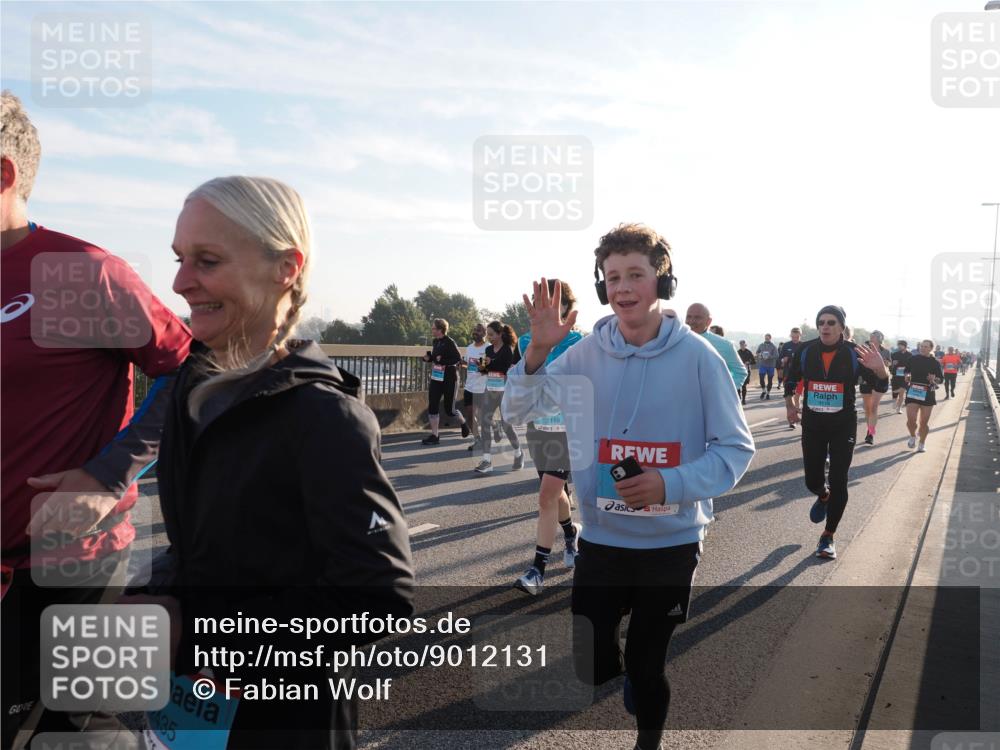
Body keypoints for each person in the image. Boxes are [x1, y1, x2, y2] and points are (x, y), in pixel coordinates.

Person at [128, 176, 414, 748]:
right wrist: (157, 592)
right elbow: (209, 549)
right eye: (180, 259)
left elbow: (379, 597)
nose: (182, 283)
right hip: (196, 707)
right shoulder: (195, 388)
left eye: (206, 261)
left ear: (285, 267)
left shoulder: (325, 418)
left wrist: (202, 638)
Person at [504, 223, 754, 750]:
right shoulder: (582, 356)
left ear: (661, 282)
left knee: (646, 664)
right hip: (602, 540)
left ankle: (648, 741)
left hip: (671, 543)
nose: (622, 287)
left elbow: (736, 449)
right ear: (601, 287)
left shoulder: (700, 359)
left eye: (635, 274)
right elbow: (517, 410)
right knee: (592, 663)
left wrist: (669, 483)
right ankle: (628, 676)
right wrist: (534, 356)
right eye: (612, 276)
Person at [1, 90, 192, 746]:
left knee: (68, 735)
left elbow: (187, 368)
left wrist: (109, 472)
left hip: (69, 564)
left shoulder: (80, 274)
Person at [783, 305, 888, 560]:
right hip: (813, 424)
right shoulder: (805, 350)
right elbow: (790, 380)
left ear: (841, 327)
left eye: (831, 322)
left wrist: (880, 369)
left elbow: (881, 385)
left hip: (843, 425)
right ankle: (822, 495)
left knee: (839, 478)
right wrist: (791, 407)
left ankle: (828, 536)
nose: (825, 327)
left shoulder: (855, 353)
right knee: (812, 480)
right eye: (821, 322)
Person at [514, 280, 584, 595]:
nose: (550, 312)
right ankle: (571, 532)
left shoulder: (581, 342)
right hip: (538, 427)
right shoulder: (525, 341)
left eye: (556, 306)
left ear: (568, 309)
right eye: (543, 305)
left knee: (546, 495)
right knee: (555, 495)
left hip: (568, 429)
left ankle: (537, 570)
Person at [474, 321, 523, 474]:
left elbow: (505, 368)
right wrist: (482, 365)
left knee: (507, 425)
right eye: (487, 334)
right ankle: (487, 460)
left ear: (500, 334)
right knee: (484, 420)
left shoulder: (508, 350)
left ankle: (518, 452)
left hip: (505, 391)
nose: (488, 337)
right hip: (490, 389)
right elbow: (483, 370)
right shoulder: (488, 349)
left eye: (491, 334)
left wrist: (491, 363)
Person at [421, 318, 468, 445]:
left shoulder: (450, 342)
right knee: (433, 405)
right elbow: (435, 357)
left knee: (449, 410)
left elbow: (457, 359)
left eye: (434, 328)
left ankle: (463, 423)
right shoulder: (436, 341)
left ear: (441, 329)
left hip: (449, 378)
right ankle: (435, 435)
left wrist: (441, 360)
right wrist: (428, 358)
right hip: (437, 377)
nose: (432, 330)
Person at [685, 303, 747, 393]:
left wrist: (721, 392)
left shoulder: (725, 345)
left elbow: (740, 373)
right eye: (688, 317)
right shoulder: (676, 341)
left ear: (709, 321)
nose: (691, 321)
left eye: (697, 317)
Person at [904, 340, 944, 452]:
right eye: (921, 346)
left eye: (926, 346)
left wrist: (934, 379)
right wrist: (907, 375)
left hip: (928, 393)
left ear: (931, 348)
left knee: (923, 422)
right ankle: (912, 436)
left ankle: (922, 443)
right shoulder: (912, 359)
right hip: (913, 391)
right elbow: (906, 371)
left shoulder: (935, 362)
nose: (923, 348)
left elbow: (940, 379)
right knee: (911, 420)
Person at [860, 330, 891, 444]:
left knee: (873, 408)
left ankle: (870, 433)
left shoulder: (886, 351)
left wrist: (881, 363)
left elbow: (888, 365)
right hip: (866, 379)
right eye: (871, 336)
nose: (871, 338)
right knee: (867, 408)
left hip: (879, 380)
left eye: (874, 337)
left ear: (879, 339)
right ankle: (870, 429)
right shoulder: (865, 349)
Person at [462, 322, 488, 452]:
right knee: (470, 414)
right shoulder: (469, 348)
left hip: (483, 387)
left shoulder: (488, 348)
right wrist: (462, 363)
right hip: (470, 386)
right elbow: (468, 364)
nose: (475, 333)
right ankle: (477, 439)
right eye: (474, 330)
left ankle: (491, 430)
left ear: (484, 333)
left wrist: (481, 366)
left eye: (478, 331)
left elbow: (486, 369)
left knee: (483, 417)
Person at [777, 328, 803, 427]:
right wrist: (783, 360)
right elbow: (779, 360)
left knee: (797, 396)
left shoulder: (803, 346)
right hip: (788, 375)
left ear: (800, 335)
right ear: (790, 336)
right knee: (789, 397)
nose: (795, 339)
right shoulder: (786, 346)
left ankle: (795, 414)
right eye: (793, 337)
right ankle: (792, 420)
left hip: (801, 376)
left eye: (797, 337)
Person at [889, 340, 912, 414]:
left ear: (905, 346)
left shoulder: (910, 354)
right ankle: (894, 401)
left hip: (907, 375)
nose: (899, 346)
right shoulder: (894, 354)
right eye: (898, 345)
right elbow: (889, 364)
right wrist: (893, 364)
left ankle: (899, 408)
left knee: (902, 392)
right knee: (895, 392)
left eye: (901, 345)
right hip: (896, 375)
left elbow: (912, 365)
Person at [755, 334, 778, 399]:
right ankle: (764, 391)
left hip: (771, 366)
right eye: (765, 338)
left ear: (770, 338)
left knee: (770, 380)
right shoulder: (761, 345)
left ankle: (768, 393)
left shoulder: (773, 346)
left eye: (768, 338)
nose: (766, 339)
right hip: (763, 365)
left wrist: (769, 357)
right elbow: (757, 353)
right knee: (761, 378)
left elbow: (777, 356)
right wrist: (760, 355)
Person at [736, 340, 756, 406]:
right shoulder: (737, 352)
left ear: (745, 345)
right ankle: (739, 398)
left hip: (746, 371)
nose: (742, 346)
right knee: (738, 385)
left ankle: (743, 399)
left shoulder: (749, 352)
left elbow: (754, 361)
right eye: (741, 344)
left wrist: (748, 362)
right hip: (738, 371)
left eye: (743, 344)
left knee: (744, 385)